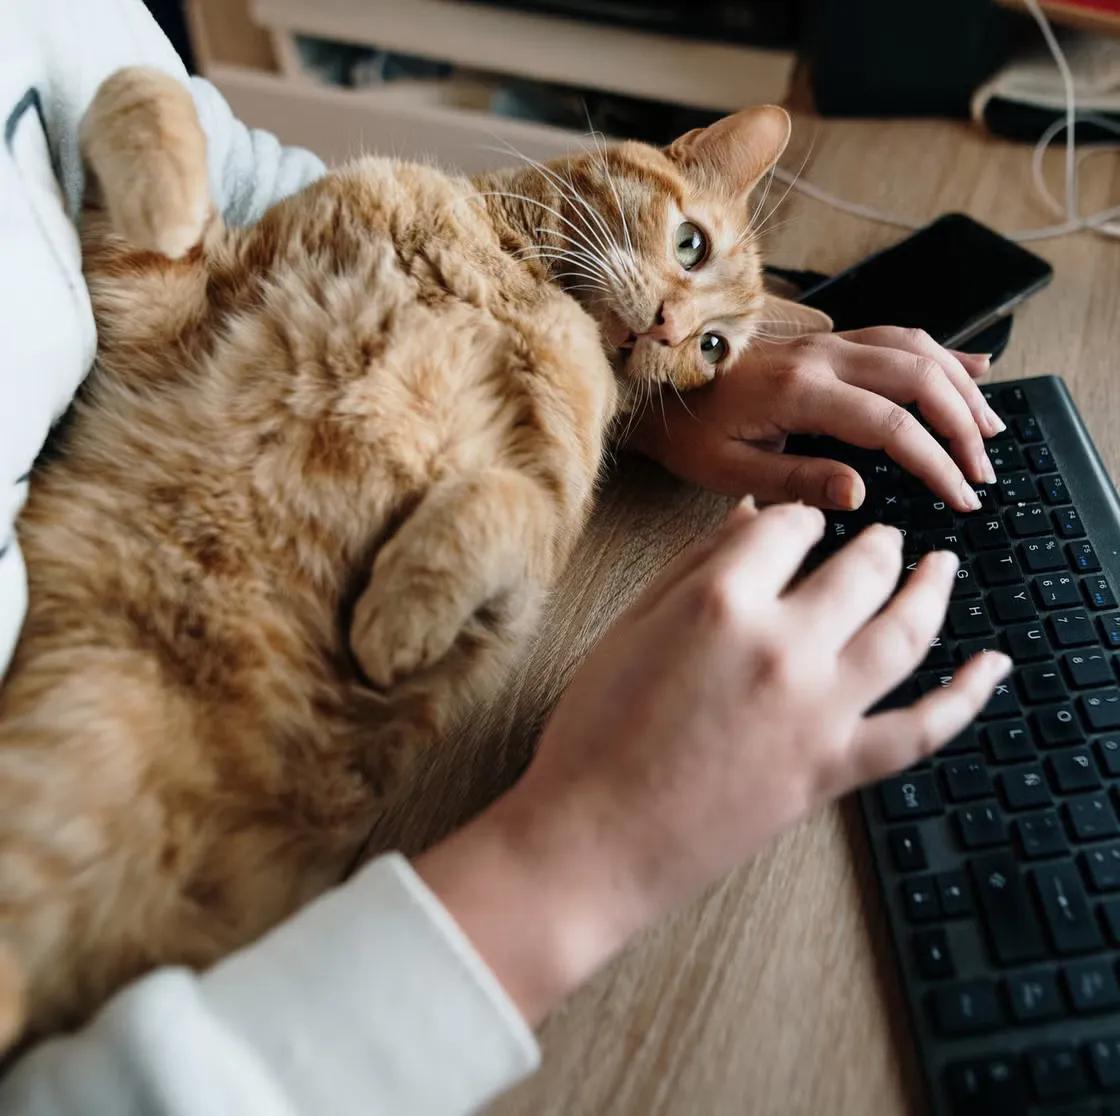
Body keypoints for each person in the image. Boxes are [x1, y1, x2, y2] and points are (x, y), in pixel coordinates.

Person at [0, 2, 1010, 1112]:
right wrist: (588, 850)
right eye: (690, 247)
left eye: (707, 340)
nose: (681, 324)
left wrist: (668, 386)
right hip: (162, 704)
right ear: (669, 157)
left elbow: (244, 199)